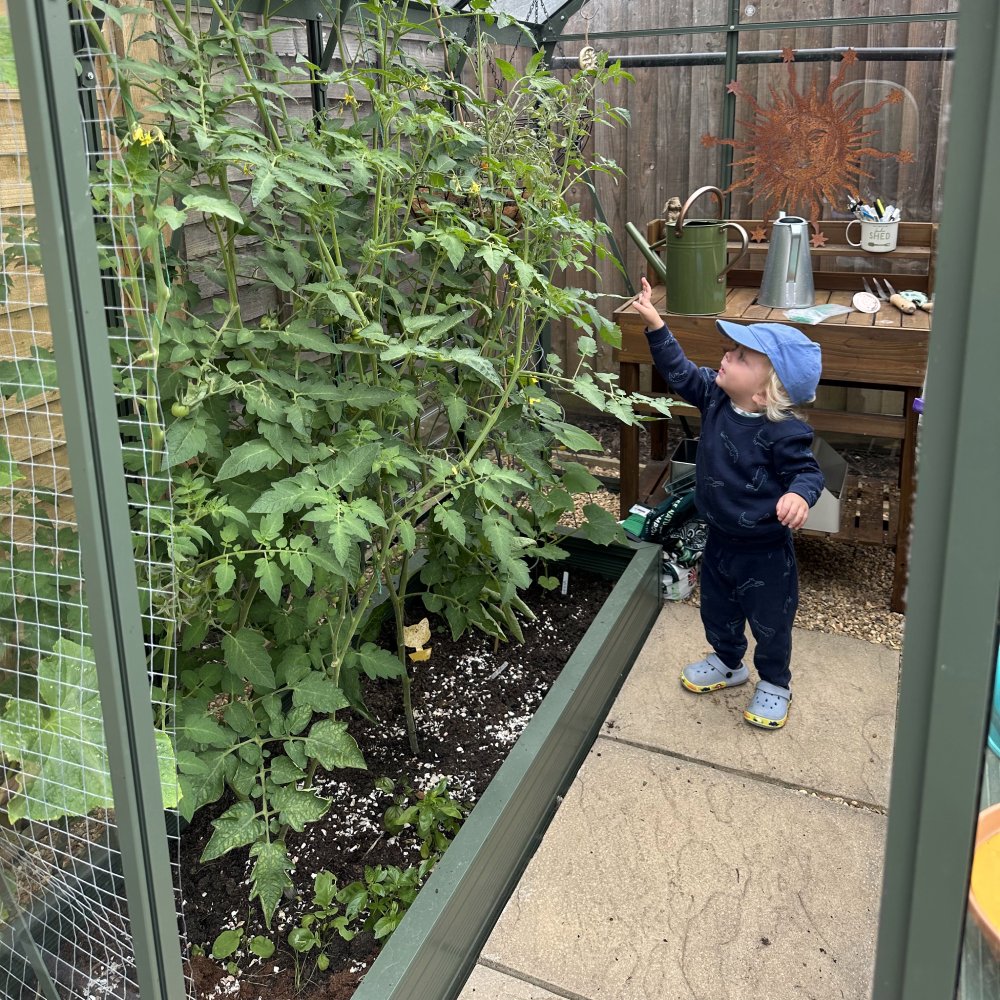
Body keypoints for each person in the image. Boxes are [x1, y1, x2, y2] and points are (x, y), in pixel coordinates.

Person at [632, 276, 824, 729]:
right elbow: (679, 371)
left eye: (740, 357)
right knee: (717, 611)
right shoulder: (715, 397)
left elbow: (807, 473)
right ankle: (728, 662)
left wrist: (798, 494)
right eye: (729, 351)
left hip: (765, 553)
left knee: (771, 624)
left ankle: (775, 681)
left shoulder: (785, 431)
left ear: (765, 391)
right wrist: (656, 324)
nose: (725, 357)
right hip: (719, 540)